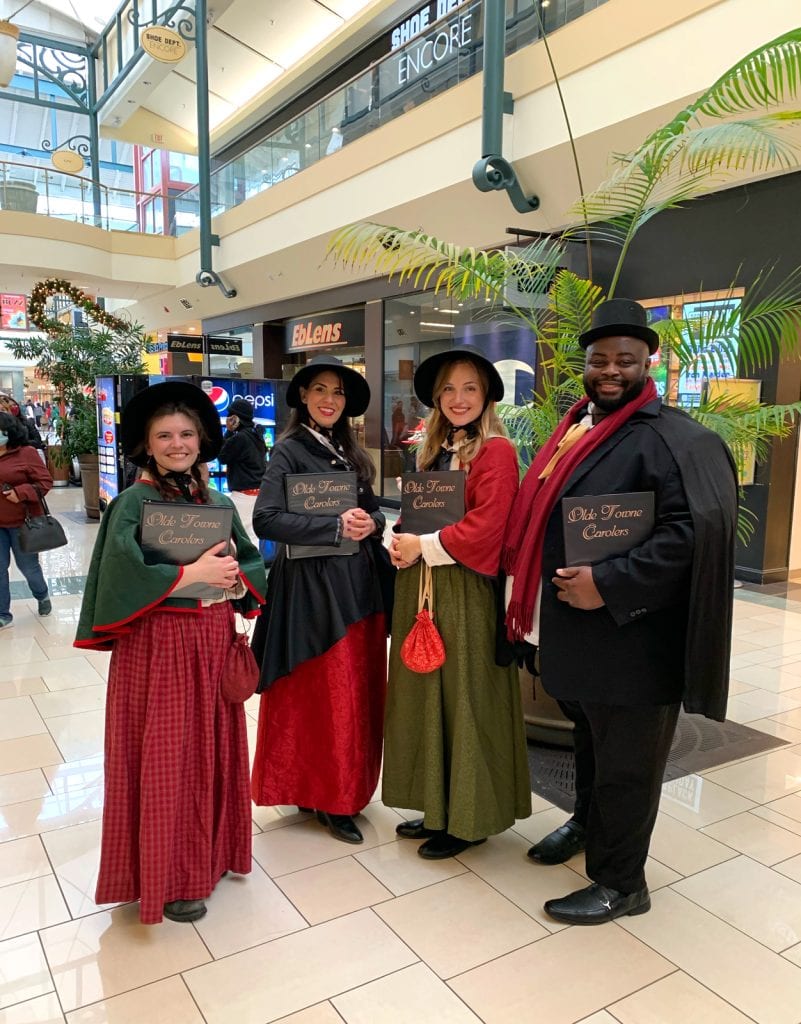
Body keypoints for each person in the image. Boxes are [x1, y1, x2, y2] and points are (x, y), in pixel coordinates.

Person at [502, 298, 738, 924]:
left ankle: (622, 883)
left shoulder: (676, 440)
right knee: (591, 744)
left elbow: (691, 536)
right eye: (599, 360)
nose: (610, 371)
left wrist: (609, 582)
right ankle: (585, 825)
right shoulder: (578, 427)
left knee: (629, 763)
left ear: (648, 362)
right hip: (578, 635)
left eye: (625, 361)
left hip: (635, 640)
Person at [74, 381, 267, 925]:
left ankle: (210, 855)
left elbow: (251, 565)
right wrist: (188, 575)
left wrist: (231, 579)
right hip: (155, 648)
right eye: (165, 435)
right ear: (147, 443)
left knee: (209, 748)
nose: (177, 443)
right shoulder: (133, 503)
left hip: (209, 640)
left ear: (201, 438)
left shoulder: (218, 501)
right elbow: (120, 575)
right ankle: (172, 875)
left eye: (185, 433)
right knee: (166, 756)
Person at [383, 348, 531, 859]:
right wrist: (396, 536)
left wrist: (420, 546)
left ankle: (470, 818)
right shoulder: (434, 450)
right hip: (423, 586)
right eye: (449, 389)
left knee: (465, 695)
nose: (459, 398)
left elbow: (488, 526)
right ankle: (439, 805)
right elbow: (420, 513)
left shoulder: (496, 452)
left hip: (465, 592)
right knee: (429, 695)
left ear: (487, 394)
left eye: (470, 388)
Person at [250, 355, 387, 845]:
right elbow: (265, 520)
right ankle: (327, 794)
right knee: (323, 693)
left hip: (358, 585)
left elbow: (373, 512)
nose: (330, 400)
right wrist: (331, 526)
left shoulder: (350, 450)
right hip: (312, 591)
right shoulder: (288, 450)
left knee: (353, 693)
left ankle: (340, 787)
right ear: (304, 397)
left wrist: (373, 524)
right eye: (320, 390)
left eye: (339, 393)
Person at [0, 411, 53, 627]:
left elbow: (45, 482)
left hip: (24, 522)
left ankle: (42, 595)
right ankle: (3, 614)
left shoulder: (27, 453)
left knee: (28, 568)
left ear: (8, 432)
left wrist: (21, 493)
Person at [217, 397, 267, 546]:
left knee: (237, 539)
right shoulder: (256, 435)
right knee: (252, 537)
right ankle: (254, 567)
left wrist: (228, 431)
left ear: (235, 417)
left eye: (230, 415)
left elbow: (222, 456)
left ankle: (244, 568)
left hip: (243, 496)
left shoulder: (240, 439)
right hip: (257, 494)